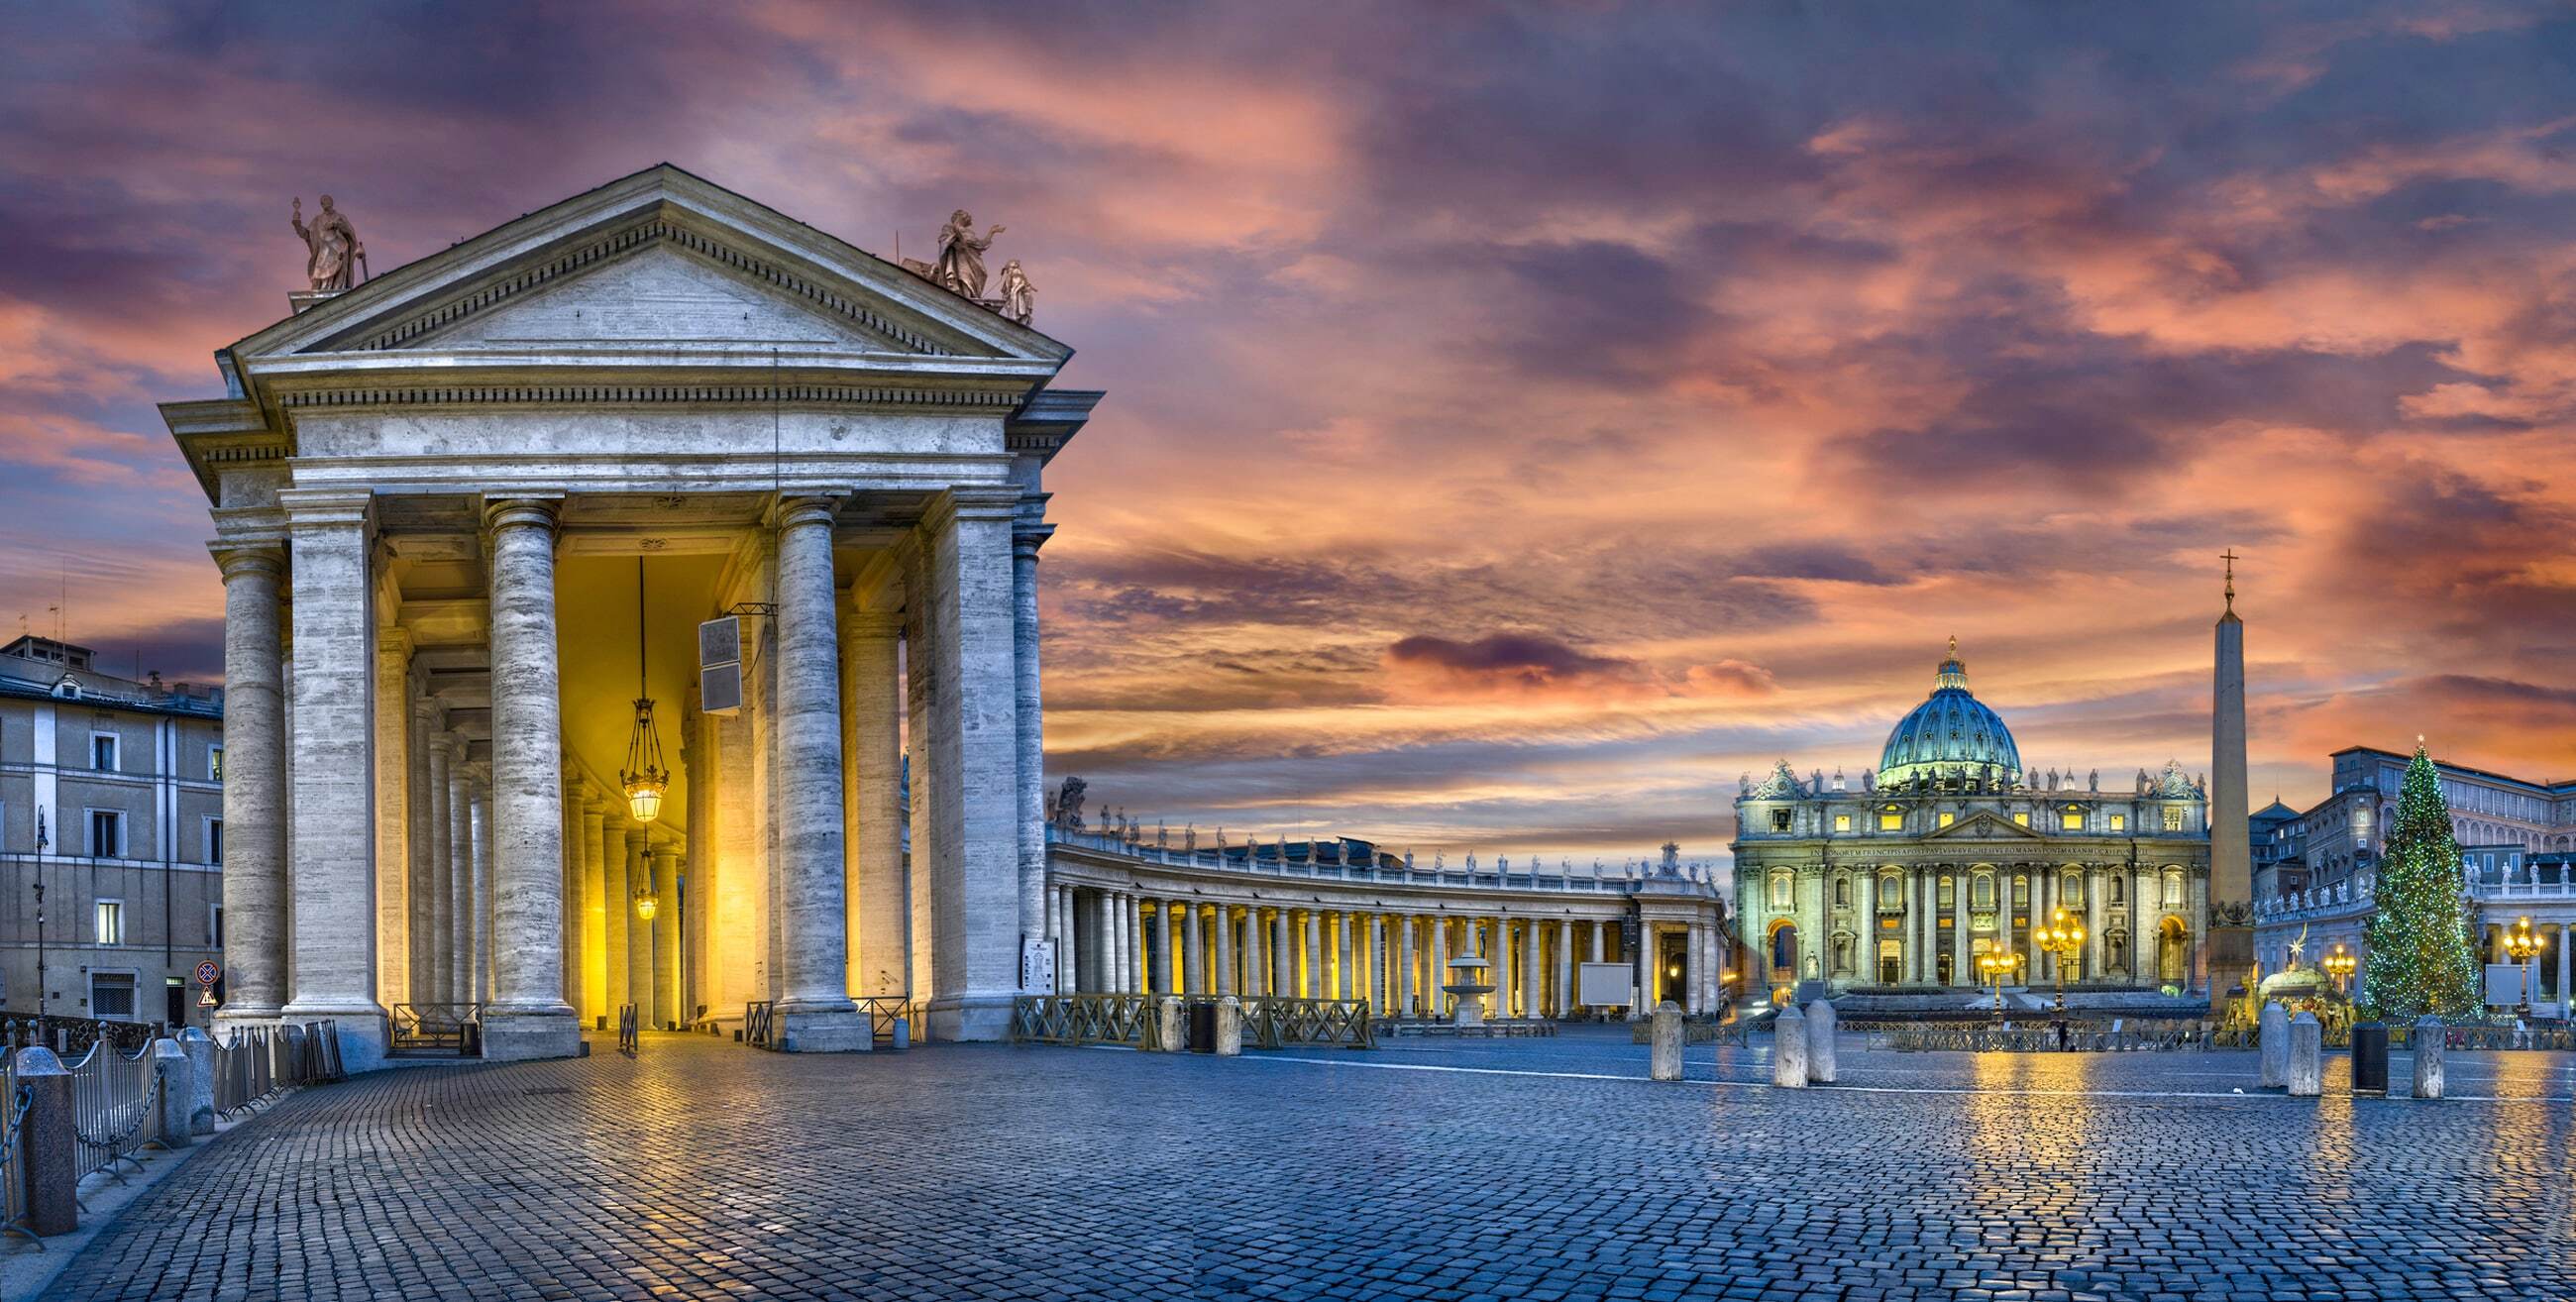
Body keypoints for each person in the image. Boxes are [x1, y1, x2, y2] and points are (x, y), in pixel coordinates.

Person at [291, 194, 362, 291]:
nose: (323, 202)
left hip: (340, 250)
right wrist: (297, 224)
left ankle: (337, 295)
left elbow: (349, 231)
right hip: (324, 253)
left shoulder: (340, 217)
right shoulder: (317, 220)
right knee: (317, 278)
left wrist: (335, 224)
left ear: (331, 202)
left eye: (326, 200)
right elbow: (307, 235)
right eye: (322, 201)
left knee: (338, 280)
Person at [934, 209, 1004, 298]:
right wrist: (955, 241)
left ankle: (969, 297)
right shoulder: (949, 227)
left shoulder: (969, 232)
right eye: (965, 216)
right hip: (959, 259)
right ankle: (964, 296)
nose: (968, 218)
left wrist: (992, 232)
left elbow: (981, 244)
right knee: (964, 276)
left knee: (976, 276)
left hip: (972, 259)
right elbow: (944, 240)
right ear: (960, 217)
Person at [998, 259, 1035, 324]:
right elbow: (1007, 285)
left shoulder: (1016, 272)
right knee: (1011, 296)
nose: (1008, 271)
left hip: (1019, 294)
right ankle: (1015, 315)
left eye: (1008, 269)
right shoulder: (1012, 274)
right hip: (1017, 294)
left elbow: (1018, 284)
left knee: (1014, 294)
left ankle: (1015, 316)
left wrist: (1013, 290)